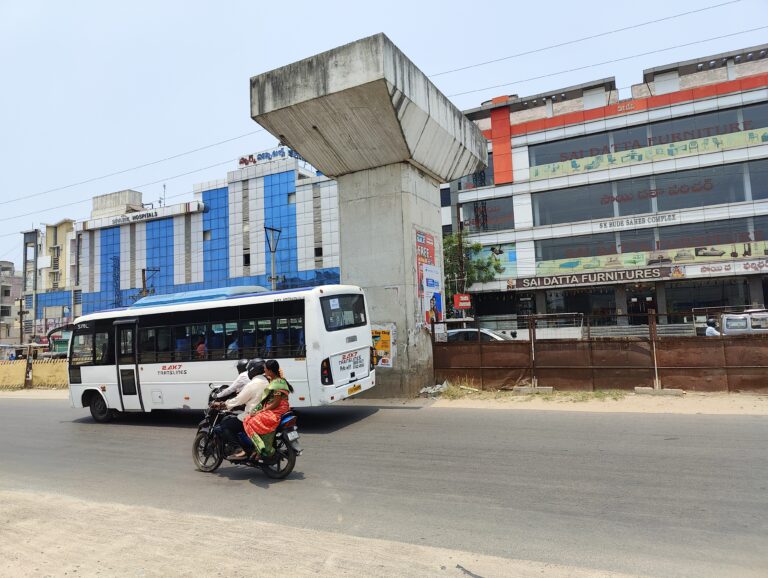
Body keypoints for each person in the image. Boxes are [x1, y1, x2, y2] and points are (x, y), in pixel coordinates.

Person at [212, 359, 269, 459]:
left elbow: (238, 399)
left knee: (226, 425)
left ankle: (239, 450)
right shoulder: (267, 381)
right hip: (266, 415)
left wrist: (222, 404)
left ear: (253, 370)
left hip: (253, 416)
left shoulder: (253, 384)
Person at [239, 359, 294, 460]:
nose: (264, 371)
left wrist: (262, 411)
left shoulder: (277, 383)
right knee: (249, 418)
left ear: (270, 371)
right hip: (276, 408)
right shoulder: (276, 380)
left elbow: (276, 403)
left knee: (250, 421)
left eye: (265, 369)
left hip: (277, 410)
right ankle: (257, 448)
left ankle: (262, 448)